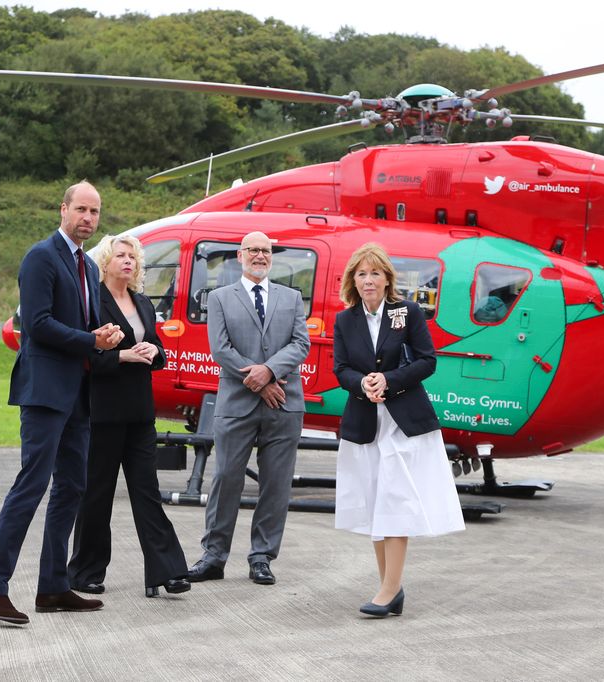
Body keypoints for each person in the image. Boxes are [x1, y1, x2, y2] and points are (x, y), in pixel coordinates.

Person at [0, 181, 124, 626]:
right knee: (31, 486)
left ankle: (54, 587)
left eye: (95, 213)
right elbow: (36, 325)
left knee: (72, 487)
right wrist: (89, 340)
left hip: (78, 392)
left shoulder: (86, 266)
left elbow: (87, 325)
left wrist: (106, 339)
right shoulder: (41, 257)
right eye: (81, 209)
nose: (88, 219)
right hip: (44, 390)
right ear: (63, 209)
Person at [332, 242, 464, 618]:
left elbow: (427, 361)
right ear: (352, 281)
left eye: (375, 273)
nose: (368, 280)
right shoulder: (346, 321)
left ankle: (389, 590)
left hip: (404, 424)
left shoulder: (406, 313)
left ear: (387, 278)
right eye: (361, 273)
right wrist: (363, 384)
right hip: (365, 424)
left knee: (395, 500)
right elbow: (341, 369)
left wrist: (388, 380)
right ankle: (390, 589)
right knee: (376, 503)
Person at [67, 234, 190, 599]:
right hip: (102, 410)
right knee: (97, 494)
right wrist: (120, 356)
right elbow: (84, 354)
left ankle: (166, 571)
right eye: (120, 255)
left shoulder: (142, 302)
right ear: (105, 262)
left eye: (133, 256)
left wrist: (154, 349)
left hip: (139, 412)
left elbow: (160, 351)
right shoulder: (92, 302)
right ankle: (85, 572)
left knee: (147, 492)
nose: (128, 261)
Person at [186, 231, 310, 586]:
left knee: (276, 483)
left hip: (283, 404)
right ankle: (213, 556)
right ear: (240, 256)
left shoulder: (292, 297)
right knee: (226, 477)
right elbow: (220, 349)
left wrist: (270, 372)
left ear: (272, 257)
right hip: (238, 403)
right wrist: (258, 380)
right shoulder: (221, 297)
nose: (260, 256)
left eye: (266, 251)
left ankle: (261, 557)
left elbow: (301, 344)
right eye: (253, 250)